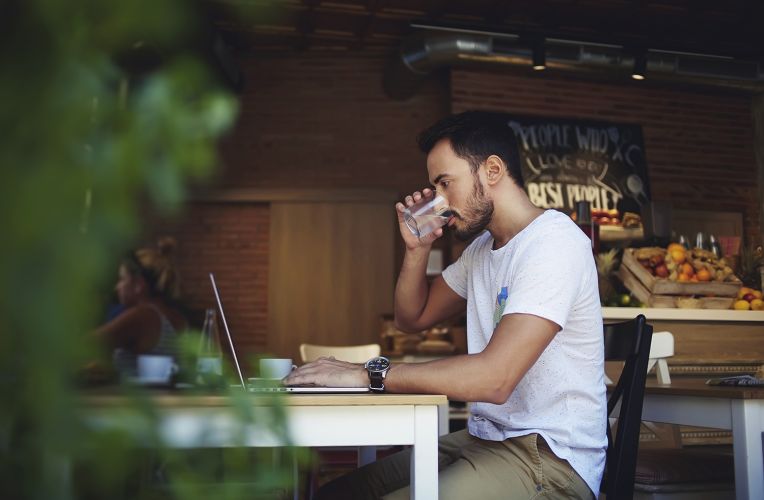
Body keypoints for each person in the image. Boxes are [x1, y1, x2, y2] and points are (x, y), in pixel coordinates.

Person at [285, 110, 606, 499]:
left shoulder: (553, 243)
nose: (439, 200)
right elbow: (411, 318)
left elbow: (494, 379)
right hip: (485, 441)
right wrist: (417, 248)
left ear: (491, 170)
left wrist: (367, 373)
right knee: (339, 493)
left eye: (445, 183)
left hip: (549, 460)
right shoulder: (482, 251)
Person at [94, 237, 187, 378]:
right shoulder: (177, 318)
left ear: (138, 285)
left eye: (122, 279)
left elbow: (87, 345)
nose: (117, 286)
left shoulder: (144, 315)